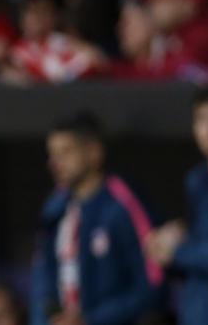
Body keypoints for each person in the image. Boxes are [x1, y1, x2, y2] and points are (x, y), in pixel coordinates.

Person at [31, 113, 164, 325]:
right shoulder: (55, 206)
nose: (55, 163)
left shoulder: (123, 203)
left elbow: (153, 281)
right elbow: (43, 276)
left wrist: (92, 320)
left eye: (65, 152)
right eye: (52, 154)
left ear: (94, 152)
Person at [146, 85, 208, 325]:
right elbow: (196, 255)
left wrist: (177, 251)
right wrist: (163, 247)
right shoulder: (197, 179)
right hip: (197, 311)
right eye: (202, 120)